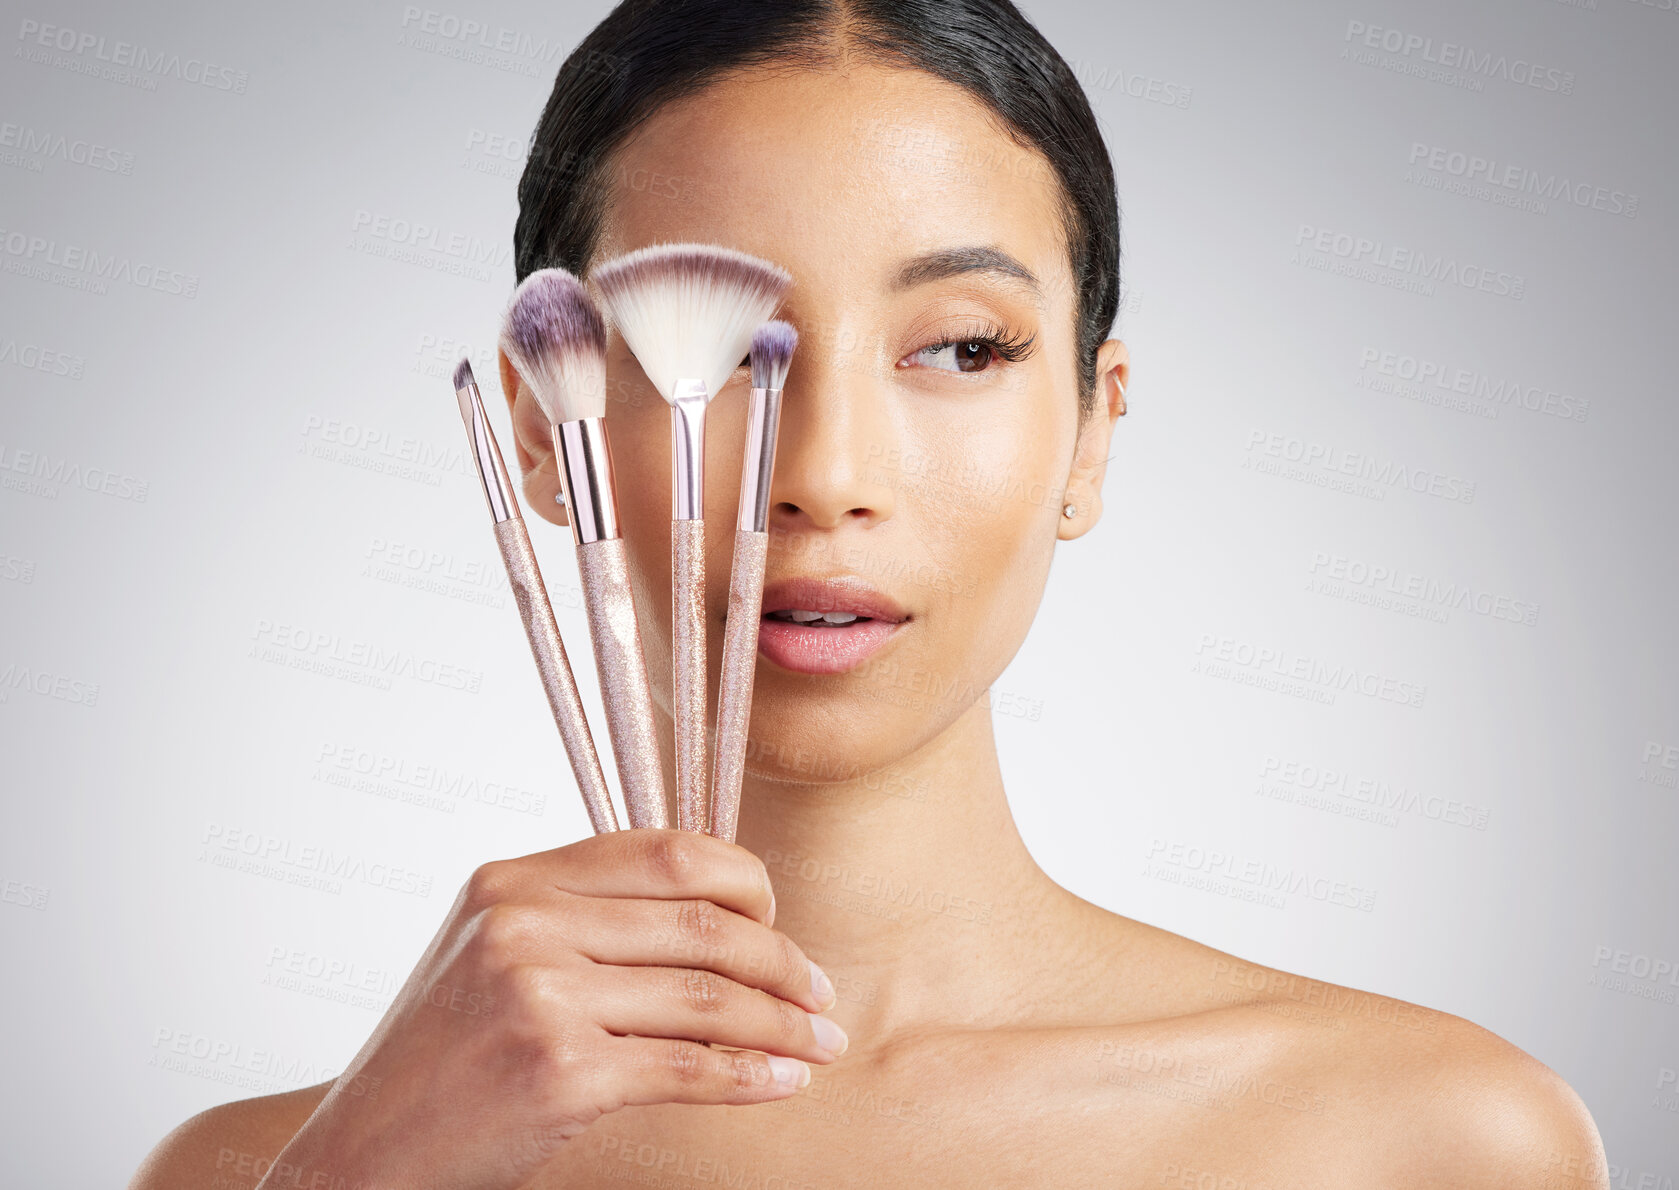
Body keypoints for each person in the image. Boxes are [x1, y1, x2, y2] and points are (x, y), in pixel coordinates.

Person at [131, 2, 1609, 1186]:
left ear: (1094, 428)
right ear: (545, 425)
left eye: (960, 346)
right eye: (710, 351)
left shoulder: (1430, 1139)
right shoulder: (263, 1167)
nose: (824, 473)